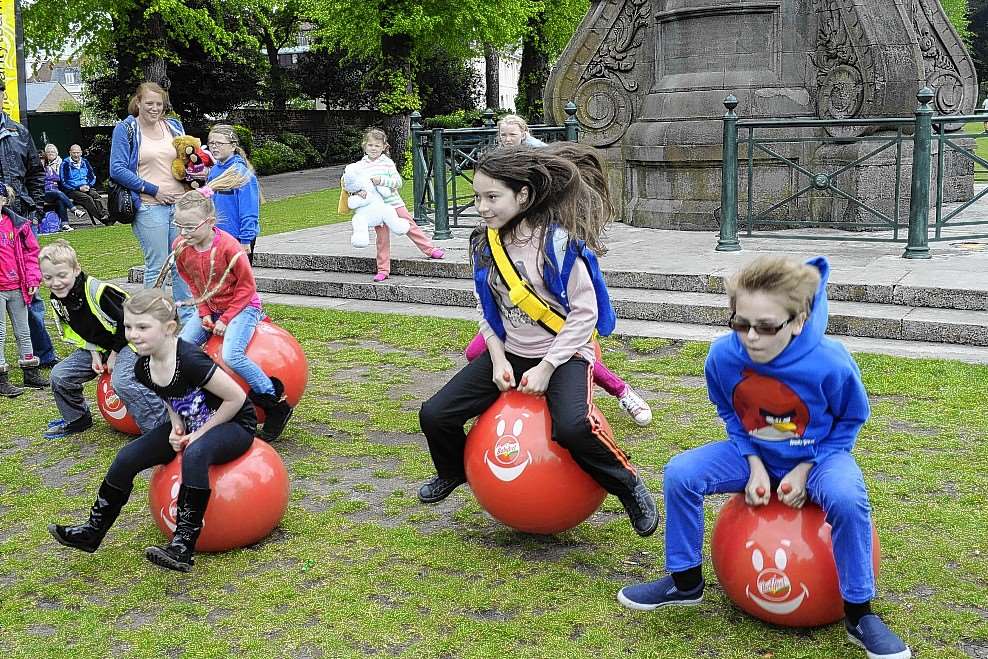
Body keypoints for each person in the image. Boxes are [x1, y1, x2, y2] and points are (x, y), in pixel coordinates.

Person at [617, 256, 911, 659]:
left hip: (819, 457)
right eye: (740, 323)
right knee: (681, 473)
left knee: (846, 498)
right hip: (757, 454)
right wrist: (753, 462)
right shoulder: (723, 357)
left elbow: (852, 418)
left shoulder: (830, 361)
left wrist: (807, 469)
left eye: (766, 326)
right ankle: (684, 582)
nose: (751, 337)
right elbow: (732, 414)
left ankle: (860, 615)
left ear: (798, 322)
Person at [416, 142, 659, 537]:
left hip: (565, 355)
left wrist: (547, 367)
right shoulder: (483, 243)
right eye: (477, 197)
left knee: (573, 427)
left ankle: (628, 484)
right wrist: (496, 358)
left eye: (492, 197)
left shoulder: (557, 244)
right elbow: (485, 308)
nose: (482, 206)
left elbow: (585, 315)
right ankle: (454, 471)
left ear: (523, 195)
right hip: (511, 352)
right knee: (435, 414)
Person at [48, 288, 257, 572]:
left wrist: (199, 433)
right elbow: (168, 394)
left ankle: (182, 546)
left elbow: (237, 399)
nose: (133, 334)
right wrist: (175, 425)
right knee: (126, 458)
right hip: (192, 423)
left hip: (232, 423)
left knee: (195, 453)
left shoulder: (190, 360)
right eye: (129, 327)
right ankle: (92, 531)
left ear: (169, 328)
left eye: (143, 327)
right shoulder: (142, 367)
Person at [170, 171, 294, 441]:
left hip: (243, 307)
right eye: (179, 225)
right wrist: (203, 313)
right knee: (181, 350)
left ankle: (276, 404)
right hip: (210, 308)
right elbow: (193, 282)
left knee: (232, 355)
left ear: (210, 222)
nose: (184, 233)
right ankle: (198, 407)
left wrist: (225, 319)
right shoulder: (181, 246)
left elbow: (247, 288)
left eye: (190, 226)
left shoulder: (229, 247)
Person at [39, 239, 167, 439]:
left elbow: (129, 322)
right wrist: (93, 352)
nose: (55, 283)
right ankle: (78, 419)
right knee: (60, 375)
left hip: (133, 341)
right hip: (102, 346)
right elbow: (77, 330)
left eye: (61, 275)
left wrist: (114, 354)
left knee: (122, 380)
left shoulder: (100, 291)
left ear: (76, 269)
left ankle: (158, 429)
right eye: (48, 278)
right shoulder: (57, 298)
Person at [109, 81, 193, 321]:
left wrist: (196, 173)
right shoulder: (126, 129)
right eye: (149, 103)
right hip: (148, 205)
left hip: (180, 206)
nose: (154, 108)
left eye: (159, 104)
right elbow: (117, 169)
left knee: (181, 263)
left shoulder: (174, 127)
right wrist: (153, 189)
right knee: (157, 264)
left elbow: (188, 160)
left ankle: (187, 320)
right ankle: (154, 319)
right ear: (138, 102)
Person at [0, 75, 57, 369]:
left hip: (19, 221)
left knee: (27, 287)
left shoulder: (18, 132)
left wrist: (32, 209)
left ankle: (41, 354)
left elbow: (36, 174)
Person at [347, 128, 444, 282]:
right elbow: (353, 184)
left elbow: (398, 182)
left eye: (377, 146)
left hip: (394, 204)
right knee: (382, 238)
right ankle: (383, 270)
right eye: (370, 145)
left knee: (410, 227)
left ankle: (430, 249)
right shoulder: (360, 166)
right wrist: (358, 192)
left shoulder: (387, 163)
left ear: (384, 147)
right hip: (376, 209)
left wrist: (381, 180)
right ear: (365, 146)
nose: (373, 148)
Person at [0, 184, 47, 394]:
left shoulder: (19, 225)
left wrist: (32, 280)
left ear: (4, 200)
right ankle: (1, 378)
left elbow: (31, 254)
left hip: (18, 287)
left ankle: (30, 371)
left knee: (24, 331)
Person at [204, 124, 260, 264]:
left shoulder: (242, 174)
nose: (214, 147)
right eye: (211, 143)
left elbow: (249, 210)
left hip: (237, 237)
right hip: (216, 235)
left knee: (239, 283)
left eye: (219, 143)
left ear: (233, 146)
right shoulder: (214, 170)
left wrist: (245, 240)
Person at [60, 144, 108, 224]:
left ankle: (105, 215)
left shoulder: (85, 162)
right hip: (72, 190)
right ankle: (103, 219)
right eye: (74, 153)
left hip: (86, 187)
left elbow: (92, 177)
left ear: (81, 153)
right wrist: (78, 188)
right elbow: (63, 181)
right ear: (70, 153)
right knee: (87, 198)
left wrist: (88, 186)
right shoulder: (65, 164)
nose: (76, 155)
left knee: (96, 195)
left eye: (78, 153)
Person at [42, 145, 78, 232]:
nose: (41, 161)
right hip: (43, 192)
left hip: (54, 191)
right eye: (48, 152)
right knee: (59, 194)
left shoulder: (49, 168)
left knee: (60, 199)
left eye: (42, 159)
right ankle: (74, 210)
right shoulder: (36, 170)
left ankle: (65, 224)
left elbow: (58, 179)